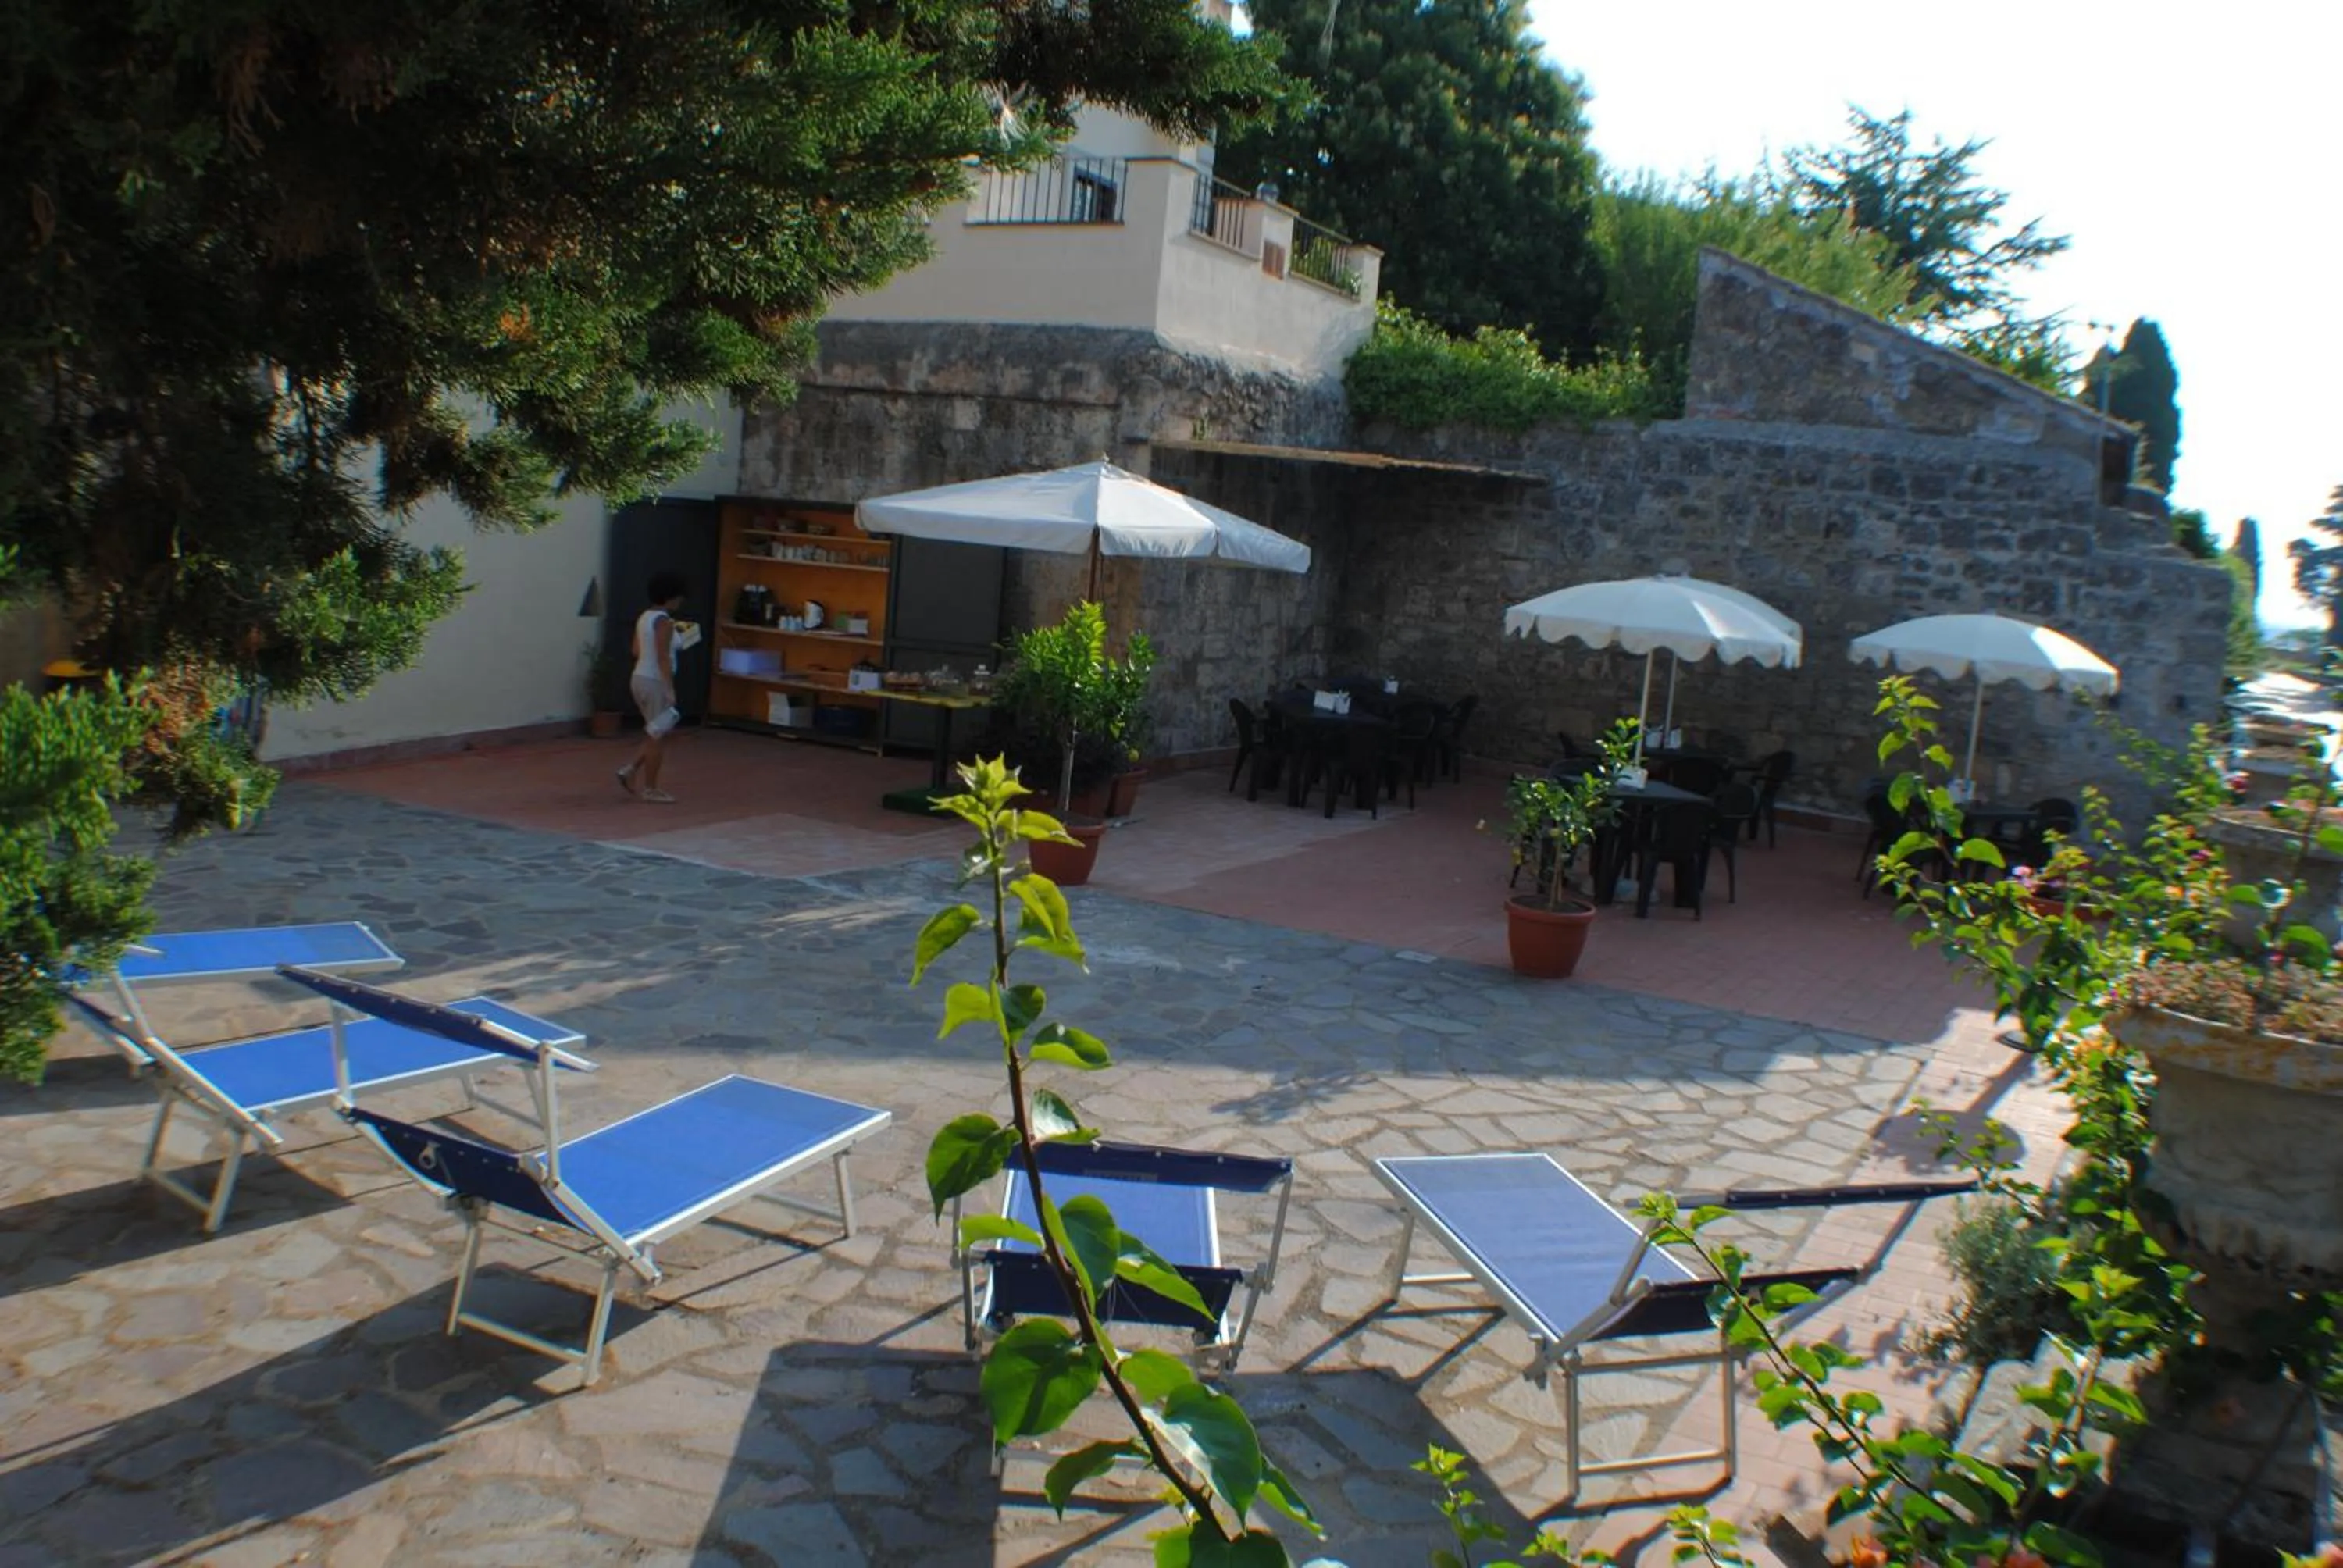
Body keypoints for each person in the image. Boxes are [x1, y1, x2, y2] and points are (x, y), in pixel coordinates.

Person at [617, 572, 690, 802]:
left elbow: (636, 651)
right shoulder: (665, 623)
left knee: (655, 730)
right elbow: (663, 658)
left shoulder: (644, 618)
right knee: (658, 735)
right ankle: (651, 788)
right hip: (655, 680)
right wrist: (669, 688)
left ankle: (630, 770)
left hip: (640, 676)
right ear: (672, 597)